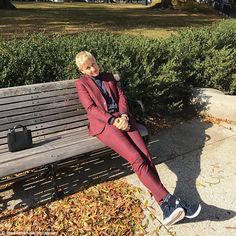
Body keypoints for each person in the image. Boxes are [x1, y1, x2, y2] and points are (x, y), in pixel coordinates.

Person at [75, 51, 201, 226]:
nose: (92, 69)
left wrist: (125, 116)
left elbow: (122, 98)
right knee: (135, 158)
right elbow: (90, 109)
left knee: (146, 157)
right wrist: (113, 120)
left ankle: (166, 207)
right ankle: (170, 201)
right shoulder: (81, 84)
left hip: (124, 119)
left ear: (97, 62)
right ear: (82, 70)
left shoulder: (109, 77)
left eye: (93, 64)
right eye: (87, 67)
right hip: (105, 125)